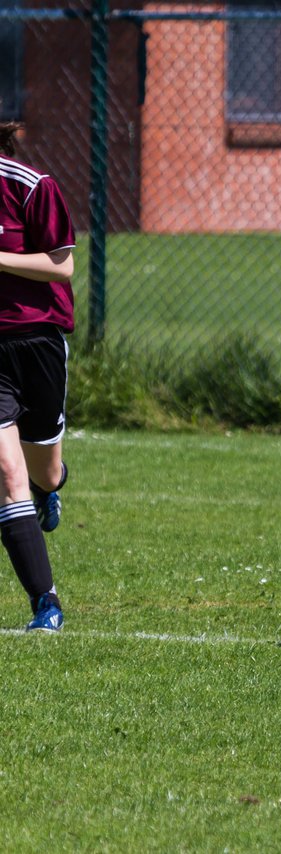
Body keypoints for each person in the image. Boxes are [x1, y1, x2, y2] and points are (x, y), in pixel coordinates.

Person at [0, 122, 76, 632]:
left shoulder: (30, 185)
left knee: (42, 473)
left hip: (39, 341)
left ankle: (54, 485)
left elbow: (62, 265)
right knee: (8, 475)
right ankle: (45, 603)